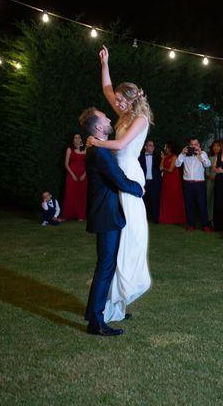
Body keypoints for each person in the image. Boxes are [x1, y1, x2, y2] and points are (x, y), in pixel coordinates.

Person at [88, 45, 152, 322]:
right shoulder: (125, 112)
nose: (116, 103)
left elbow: (123, 144)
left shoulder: (140, 118)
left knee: (132, 239)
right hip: (117, 173)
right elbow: (106, 88)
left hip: (128, 175)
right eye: (116, 101)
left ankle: (122, 294)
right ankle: (113, 307)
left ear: (131, 99)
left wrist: (96, 141)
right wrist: (104, 62)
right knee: (118, 239)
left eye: (120, 100)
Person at [79, 106, 144, 336]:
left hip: (105, 213)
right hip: (106, 216)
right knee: (105, 268)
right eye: (106, 118)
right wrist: (140, 189)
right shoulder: (101, 152)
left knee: (107, 266)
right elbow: (120, 181)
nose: (110, 120)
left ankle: (96, 312)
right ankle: (96, 322)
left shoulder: (99, 149)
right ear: (99, 127)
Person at [176, 137, 212, 231]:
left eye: (196, 144)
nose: (194, 146)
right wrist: (182, 153)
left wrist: (200, 155)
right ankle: (191, 224)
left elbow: (208, 164)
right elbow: (177, 164)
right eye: (192, 144)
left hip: (199, 183)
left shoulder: (203, 153)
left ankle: (205, 225)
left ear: (199, 145)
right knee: (189, 205)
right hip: (187, 183)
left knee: (202, 205)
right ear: (189, 145)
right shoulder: (185, 154)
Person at [159, 141, 186, 225]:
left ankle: (176, 218)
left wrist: (164, 168)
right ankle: (166, 218)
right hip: (166, 180)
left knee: (174, 197)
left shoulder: (174, 156)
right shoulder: (165, 156)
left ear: (169, 148)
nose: (164, 148)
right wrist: (163, 158)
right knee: (166, 197)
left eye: (165, 147)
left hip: (173, 180)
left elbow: (171, 170)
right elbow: (160, 168)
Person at [62, 133, 87, 221]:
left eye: (78, 137)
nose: (77, 139)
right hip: (72, 175)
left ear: (81, 139)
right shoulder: (69, 149)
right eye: (75, 138)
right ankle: (67, 215)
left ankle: (81, 215)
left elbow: (88, 164)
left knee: (81, 195)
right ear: (73, 140)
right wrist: (72, 175)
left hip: (83, 175)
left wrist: (84, 175)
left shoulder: (86, 150)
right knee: (70, 194)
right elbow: (66, 164)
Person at [139, 139, 161, 224]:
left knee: (155, 201)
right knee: (143, 202)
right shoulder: (140, 157)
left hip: (154, 182)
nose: (152, 147)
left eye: (153, 145)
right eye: (150, 145)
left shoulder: (157, 157)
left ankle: (156, 219)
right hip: (144, 182)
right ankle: (143, 219)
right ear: (145, 147)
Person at [206, 140, 221, 223]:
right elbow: (206, 170)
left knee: (217, 199)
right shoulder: (209, 158)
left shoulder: (222, 157)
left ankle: (217, 219)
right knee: (209, 199)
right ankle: (209, 218)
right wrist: (209, 176)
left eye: (218, 146)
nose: (216, 147)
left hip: (220, 182)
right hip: (210, 181)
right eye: (214, 146)